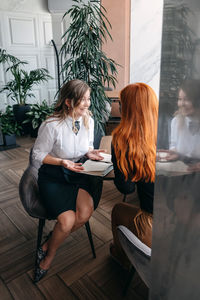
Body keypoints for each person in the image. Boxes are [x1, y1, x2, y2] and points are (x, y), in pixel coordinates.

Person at [32, 79, 105, 282]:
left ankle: (48, 243)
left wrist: (91, 152)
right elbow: (37, 154)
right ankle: (49, 257)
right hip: (53, 175)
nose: (87, 104)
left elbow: (86, 147)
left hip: (77, 172)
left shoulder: (87, 120)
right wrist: (61, 161)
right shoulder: (51, 125)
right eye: (82, 100)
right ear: (68, 101)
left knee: (85, 212)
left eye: (88, 99)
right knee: (68, 220)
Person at [110, 82, 158, 269]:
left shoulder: (121, 140)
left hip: (154, 225)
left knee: (117, 210)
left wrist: (120, 161)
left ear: (128, 109)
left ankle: (122, 257)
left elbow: (126, 188)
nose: (119, 107)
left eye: (121, 103)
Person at [160, 79, 200, 164]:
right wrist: (174, 154)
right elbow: (173, 145)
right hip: (181, 174)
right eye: (180, 99)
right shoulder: (176, 121)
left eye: (187, 99)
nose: (181, 104)